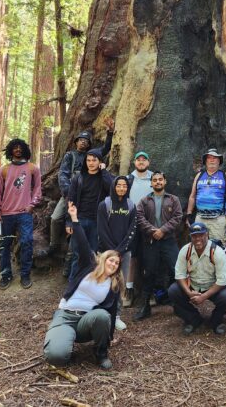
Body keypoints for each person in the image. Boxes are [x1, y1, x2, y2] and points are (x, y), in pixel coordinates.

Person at [43, 202, 122, 370]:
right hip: (65, 317)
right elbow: (83, 242)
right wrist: (74, 219)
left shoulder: (112, 286)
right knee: (56, 357)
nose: (114, 264)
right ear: (104, 259)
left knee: (102, 315)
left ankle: (100, 353)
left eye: (117, 263)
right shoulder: (88, 266)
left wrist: (109, 337)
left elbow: (112, 312)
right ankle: (63, 341)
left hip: (85, 322)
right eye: (111, 260)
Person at [49, 122, 113, 262]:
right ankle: (54, 244)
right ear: (76, 142)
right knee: (55, 218)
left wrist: (109, 133)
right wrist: (67, 191)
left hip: (85, 196)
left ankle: (71, 258)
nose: (83, 143)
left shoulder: (92, 155)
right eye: (80, 140)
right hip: (70, 192)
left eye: (86, 141)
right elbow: (63, 174)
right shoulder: (70, 155)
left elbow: (106, 148)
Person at [0, 139, 42, 290]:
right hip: (5, 215)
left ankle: (25, 274)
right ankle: (6, 275)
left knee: (27, 242)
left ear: (25, 150)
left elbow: (38, 189)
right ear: (10, 150)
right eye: (15, 147)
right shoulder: (3, 170)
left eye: (21, 147)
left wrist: (32, 205)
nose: (18, 150)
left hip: (24, 214)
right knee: (3, 245)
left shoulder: (33, 168)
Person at [168, 222, 226, 334]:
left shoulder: (217, 252)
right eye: (194, 236)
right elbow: (179, 275)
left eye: (201, 235)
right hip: (193, 285)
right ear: (191, 237)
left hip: (212, 287)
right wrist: (189, 293)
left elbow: (223, 281)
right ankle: (193, 319)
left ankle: (215, 321)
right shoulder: (185, 250)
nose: (198, 239)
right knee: (173, 291)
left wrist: (204, 296)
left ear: (207, 235)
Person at [134, 171, 183, 320]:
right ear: (151, 183)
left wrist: (163, 230)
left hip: (168, 240)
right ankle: (145, 306)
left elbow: (178, 217)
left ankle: (179, 304)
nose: (157, 182)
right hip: (151, 241)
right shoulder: (144, 201)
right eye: (154, 180)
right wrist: (153, 231)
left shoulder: (173, 199)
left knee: (176, 270)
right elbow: (139, 218)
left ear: (165, 181)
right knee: (149, 272)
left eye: (160, 179)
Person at [67, 148, 114, 279]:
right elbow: (71, 199)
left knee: (93, 253)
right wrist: (69, 221)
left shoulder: (103, 177)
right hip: (79, 220)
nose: (91, 163)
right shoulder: (79, 178)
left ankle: (89, 282)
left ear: (100, 162)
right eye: (88, 160)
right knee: (78, 253)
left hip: (96, 221)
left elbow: (111, 189)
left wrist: (103, 171)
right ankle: (73, 282)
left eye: (94, 160)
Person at [97, 176, 136, 331]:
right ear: (114, 187)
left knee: (120, 283)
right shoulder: (104, 204)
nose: (121, 188)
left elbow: (132, 230)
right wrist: (113, 251)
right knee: (103, 281)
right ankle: (101, 313)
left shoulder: (131, 205)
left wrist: (120, 250)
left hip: (124, 253)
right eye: (118, 185)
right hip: (106, 252)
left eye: (124, 186)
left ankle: (117, 315)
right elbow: (102, 229)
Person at [123, 151, 153, 306]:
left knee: (151, 257)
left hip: (150, 223)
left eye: (144, 159)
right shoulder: (128, 179)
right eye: (138, 159)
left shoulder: (154, 178)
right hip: (132, 223)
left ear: (148, 162)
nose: (141, 162)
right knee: (131, 257)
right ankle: (128, 290)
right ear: (134, 162)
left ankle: (150, 291)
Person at [186, 148, 226, 248]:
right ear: (205, 161)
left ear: (219, 161)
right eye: (209, 158)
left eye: (215, 158)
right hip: (200, 218)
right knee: (198, 246)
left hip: (218, 219)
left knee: (219, 248)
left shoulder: (225, 176)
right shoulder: (199, 175)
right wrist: (189, 214)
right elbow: (192, 196)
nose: (212, 160)